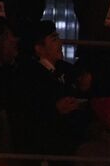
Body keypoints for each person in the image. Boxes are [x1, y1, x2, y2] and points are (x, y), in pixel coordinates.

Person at [15, 19, 92, 156]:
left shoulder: (63, 69)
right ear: (39, 48)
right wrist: (55, 109)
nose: (60, 44)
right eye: (54, 39)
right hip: (47, 142)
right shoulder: (30, 76)